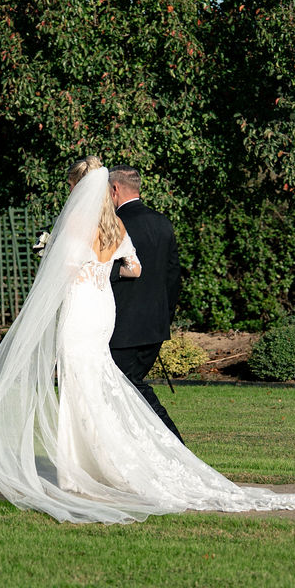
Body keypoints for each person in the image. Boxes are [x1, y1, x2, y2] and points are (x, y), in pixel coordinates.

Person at [0, 157, 295, 524]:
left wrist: (58, 260)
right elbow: (134, 267)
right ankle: (97, 461)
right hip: (103, 312)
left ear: (79, 187)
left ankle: (83, 468)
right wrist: (104, 271)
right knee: (97, 382)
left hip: (80, 312)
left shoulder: (75, 223)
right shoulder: (114, 225)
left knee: (80, 385)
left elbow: (63, 273)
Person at [108, 165, 185, 443]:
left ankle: (175, 445)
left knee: (128, 387)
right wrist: (164, 317)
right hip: (154, 326)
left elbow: (103, 269)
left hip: (123, 326)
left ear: (115, 189)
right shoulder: (162, 222)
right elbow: (173, 277)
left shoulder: (114, 224)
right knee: (124, 389)